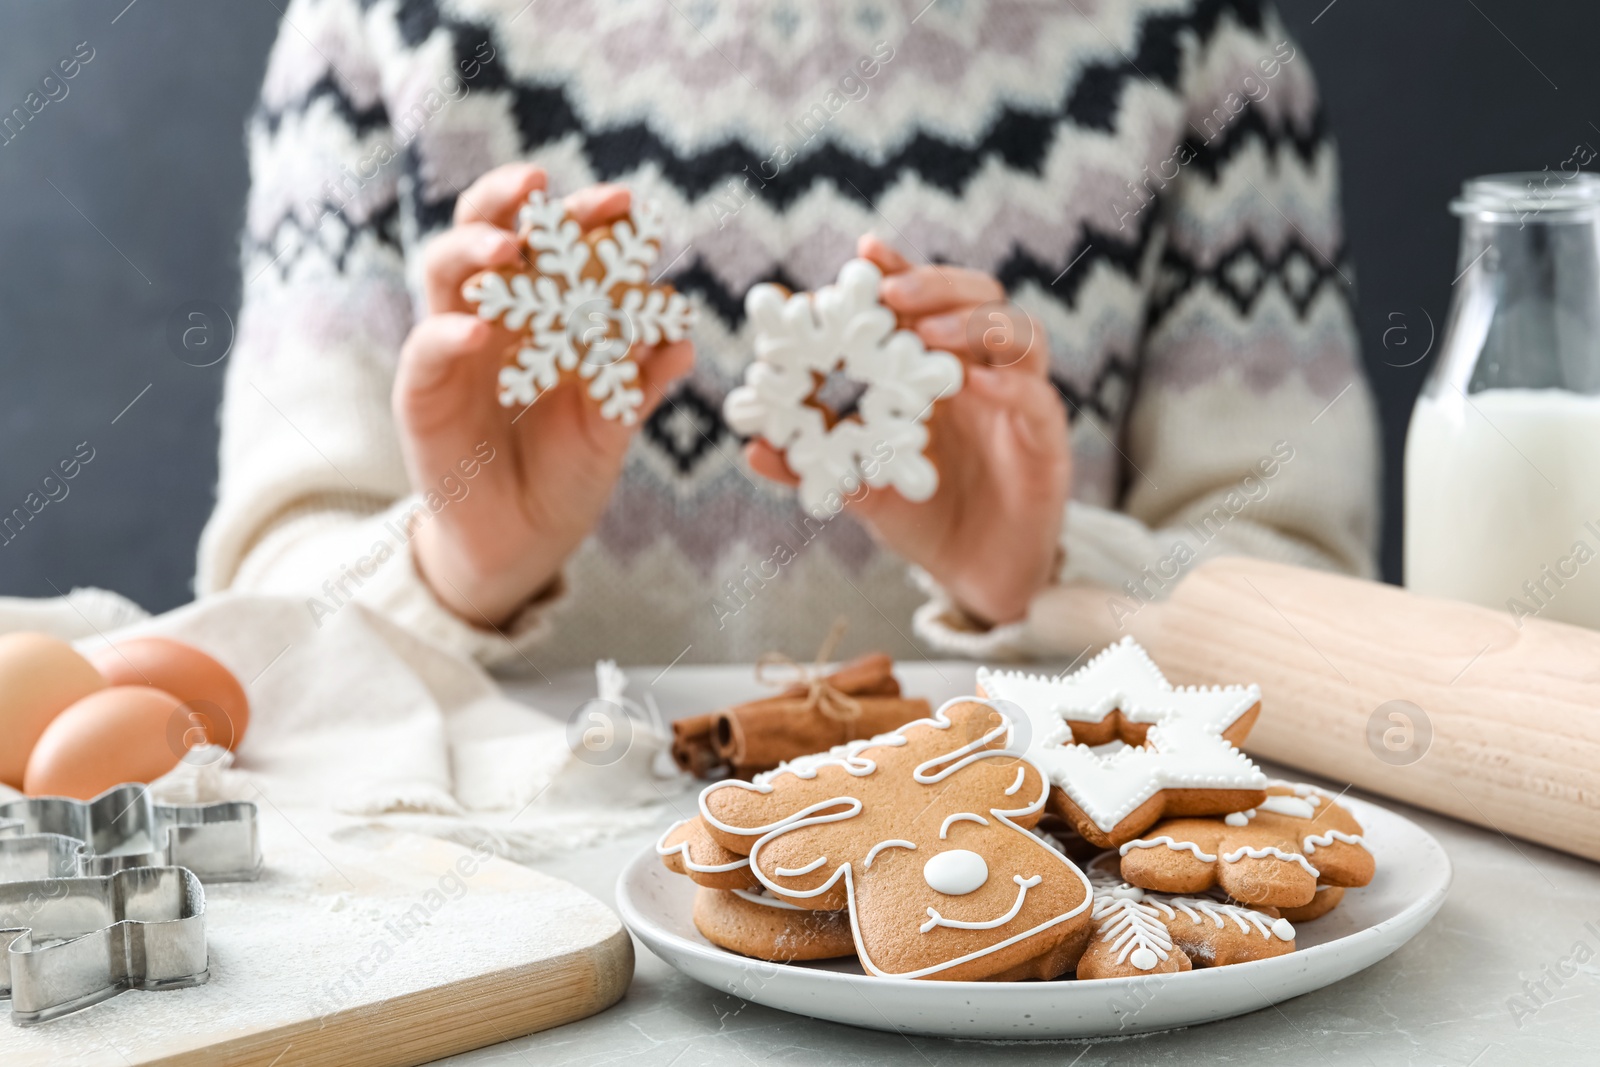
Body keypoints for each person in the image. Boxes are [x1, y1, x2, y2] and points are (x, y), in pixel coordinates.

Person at [199, 0, 1377, 670]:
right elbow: (255, 632)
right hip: (506, 923)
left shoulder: (1197, 40)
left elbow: (1321, 616)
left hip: (1010, 929)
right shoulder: (380, 27)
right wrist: (461, 571)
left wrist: (1046, 578)